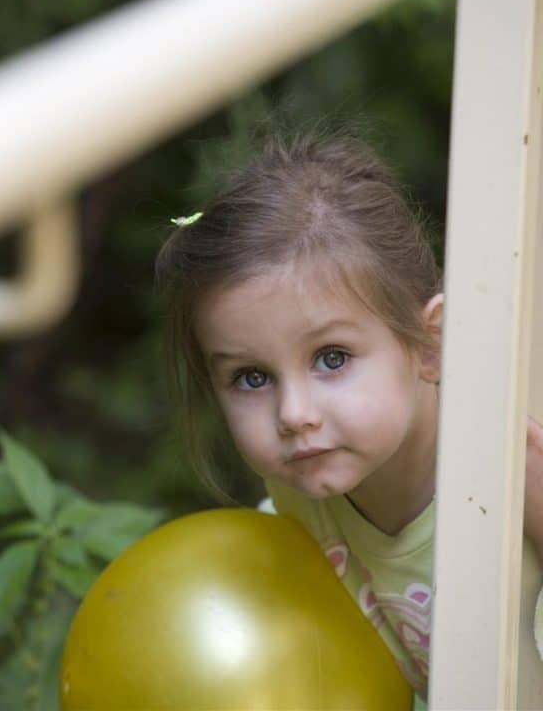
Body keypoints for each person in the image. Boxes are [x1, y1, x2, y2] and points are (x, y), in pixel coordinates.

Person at [155, 130, 543, 702]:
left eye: (331, 359)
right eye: (251, 377)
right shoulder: (295, 497)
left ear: (431, 345)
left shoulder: (513, 471)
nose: (293, 415)